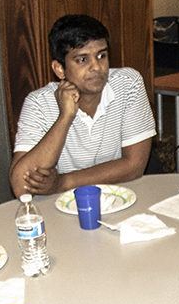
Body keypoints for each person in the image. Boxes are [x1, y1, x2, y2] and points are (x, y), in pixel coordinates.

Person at [9, 14, 156, 196]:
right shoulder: (39, 103)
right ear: (59, 69)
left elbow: (135, 165)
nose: (97, 67)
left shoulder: (127, 84)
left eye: (101, 56)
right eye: (82, 60)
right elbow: (21, 186)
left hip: (121, 196)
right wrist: (65, 118)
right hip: (63, 204)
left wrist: (63, 182)